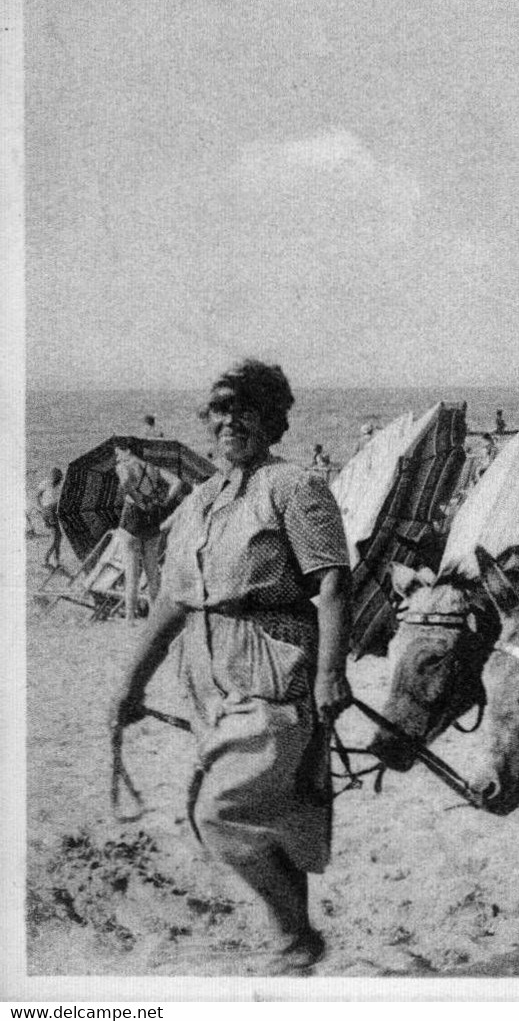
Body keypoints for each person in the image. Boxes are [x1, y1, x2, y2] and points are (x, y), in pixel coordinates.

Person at [108, 359, 350, 975]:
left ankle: (295, 939)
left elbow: (330, 586)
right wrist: (131, 685)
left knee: (220, 813)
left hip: (276, 670)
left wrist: (329, 675)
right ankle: (296, 963)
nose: (228, 422)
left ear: (271, 420)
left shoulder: (295, 487)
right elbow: (169, 602)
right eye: (218, 411)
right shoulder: (199, 502)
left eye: (243, 410)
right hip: (208, 683)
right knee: (274, 819)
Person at [111, 438, 178, 626]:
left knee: (131, 572)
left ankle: (130, 618)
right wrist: (164, 501)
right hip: (152, 515)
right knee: (152, 572)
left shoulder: (123, 466)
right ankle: (154, 618)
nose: (117, 456)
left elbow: (125, 483)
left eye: (118, 452)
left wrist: (137, 499)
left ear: (126, 450)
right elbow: (177, 482)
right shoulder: (152, 467)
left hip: (132, 516)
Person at [35, 467, 64, 567]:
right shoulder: (46, 483)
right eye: (57, 477)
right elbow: (37, 496)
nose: (59, 480)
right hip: (49, 511)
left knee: (58, 536)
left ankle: (56, 560)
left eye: (59, 478)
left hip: (54, 511)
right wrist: (41, 508)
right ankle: (46, 559)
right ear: (53, 476)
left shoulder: (58, 486)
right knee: (56, 536)